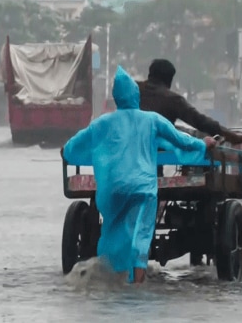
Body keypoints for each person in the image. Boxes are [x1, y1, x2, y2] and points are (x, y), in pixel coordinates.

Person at [61, 66, 217, 284]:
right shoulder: (152, 120)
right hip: (142, 189)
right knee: (140, 237)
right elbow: (180, 140)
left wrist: (66, 152)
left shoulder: (103, 123)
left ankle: (111, 280)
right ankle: (137, 286)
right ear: (135, 95)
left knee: (111, 232)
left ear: (117, 98)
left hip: (112, 190)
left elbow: (73, 146)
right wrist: (203, 144)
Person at [136, 59, 242, 145]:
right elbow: (200, 121)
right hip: (156, 150)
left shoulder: (133, 90)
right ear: (169, 79)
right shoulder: (172, 99)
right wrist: (229, 134)